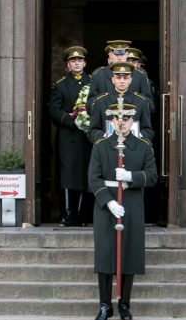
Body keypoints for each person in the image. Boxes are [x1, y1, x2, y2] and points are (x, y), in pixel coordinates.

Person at [88, 102, 157, 320]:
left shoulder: (144, 146)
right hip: (106, 206)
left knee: (129, 253)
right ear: (112, 121)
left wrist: (130, 176)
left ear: (132, 121)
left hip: (132, 204)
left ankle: (124, 304)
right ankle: (104, 305)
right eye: (118, 119)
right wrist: (107, 202)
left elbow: (152, 176)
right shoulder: (100, 146)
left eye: (126, 119)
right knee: (106, 253)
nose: (122, 123)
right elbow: (93, 179)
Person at [49, 47, 93, 227]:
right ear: (68, 65)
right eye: (73, 61)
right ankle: (68, 213)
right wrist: (70, 121)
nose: (77, 63)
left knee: (85, 172)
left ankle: (82, 214)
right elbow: (53, 109)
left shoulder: (92, 82)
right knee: (68, 173)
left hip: (86, 135)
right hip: (68, 135)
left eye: (80, 60)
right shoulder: (60, 85)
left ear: (85, 63)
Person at [88, 62, 153, 144]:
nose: (122, 81)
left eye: (125, 78)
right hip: (108, 149)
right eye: (118, 78)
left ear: (130, 80)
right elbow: (92, 131)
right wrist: (105, 136)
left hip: (134, 149)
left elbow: (148, 131)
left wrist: (137, 135)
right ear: (113, 79)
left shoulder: (141, 101)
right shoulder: (100, 101)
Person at [87, 39, 155, 114]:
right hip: (105, 120)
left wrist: (134, 114)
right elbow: (90, 104)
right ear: (110, 54)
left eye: (122, 54)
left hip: (133, 121)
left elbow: (149, 104)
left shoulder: (140, 75)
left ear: (127, 54)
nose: (119, 58)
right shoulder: (98, 75)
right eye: (116, 54)